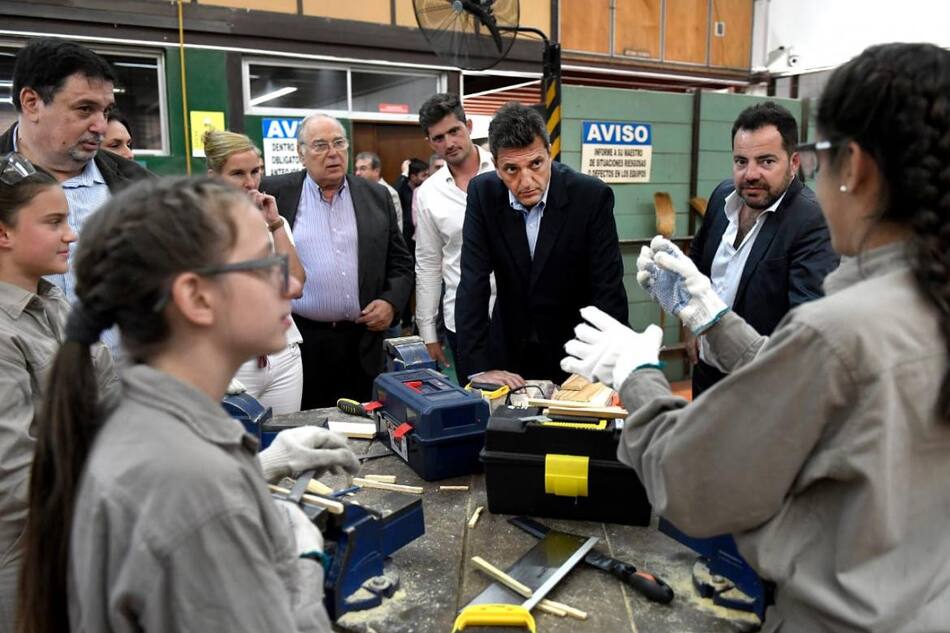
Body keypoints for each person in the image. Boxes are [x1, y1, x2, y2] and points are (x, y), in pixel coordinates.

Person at [561, 42, 950, 632]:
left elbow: (693, 482)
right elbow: (807, 374)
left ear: (855, 167)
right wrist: (710, 317)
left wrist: (636, 374)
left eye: (818, 158)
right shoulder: (917, 304)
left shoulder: (839, 330)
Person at [17, 177, 360, 633]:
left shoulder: (139, 425)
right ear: (197, 297)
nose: (290, 281)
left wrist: (252, 474)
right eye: (266, 263)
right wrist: (300, 563)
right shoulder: (187, 483)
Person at [0, 153, 116, 633]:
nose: (70, 235)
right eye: (53, 223)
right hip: (26, 555)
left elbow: (108, 400)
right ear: (3, 233)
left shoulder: (53, 302)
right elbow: (13, 476)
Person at [456, 101, 628, 387]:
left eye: (536, 164)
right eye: (511, 169)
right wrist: (478, 368)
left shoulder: (590, 196)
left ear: (549, 153)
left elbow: (607, 290)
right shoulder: (482, 194)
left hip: (578, 349)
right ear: (496, 166)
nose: (526, 181)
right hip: (509, 349)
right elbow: (473, 281)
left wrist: (602, 364)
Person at [687, 100, 838, 396]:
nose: (750, 174)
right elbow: (699, 264)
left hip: (762, 385)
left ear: (794, 163)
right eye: (741, 161)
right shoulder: (722, 197)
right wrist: (691, 323)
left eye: (766, 161)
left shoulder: (811, 220)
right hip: (706, 372)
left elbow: (804, 325)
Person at [261, 114, 412, 408]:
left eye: (339, 143)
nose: (333, 153)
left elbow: (401, 262)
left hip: (363, 342)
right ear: (301, 154)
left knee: (364, 424)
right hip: (302, 341)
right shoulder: (276, 192)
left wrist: (391, 302)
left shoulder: (376, 195)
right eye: (320, 145)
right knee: (307, 424)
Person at [204, 129, 306, 414]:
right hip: (233, 360)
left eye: (255, 171)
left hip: (283, 354)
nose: (250, 183)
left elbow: (295, 284)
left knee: (285, 437)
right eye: (237, 174)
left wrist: (275, 224)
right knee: (234, 441)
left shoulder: (273, 220)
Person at [413, 94, 496, 373]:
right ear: (429, 142)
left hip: (517, 314)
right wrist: (427, 331)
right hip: (461, 319)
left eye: (454, 131)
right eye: (439, 138)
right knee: (472, 395)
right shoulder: (428, 193)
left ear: (468, 126)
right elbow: (428, 264)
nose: (449, 143)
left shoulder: (505, 169)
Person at [354, 151, 403, 233]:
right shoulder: (357, 191)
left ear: (376, 171)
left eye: (363, 169)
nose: (357, 173)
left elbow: (396, 228)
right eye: (357, 169)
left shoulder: (389, 193)